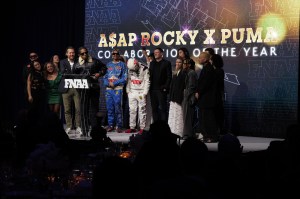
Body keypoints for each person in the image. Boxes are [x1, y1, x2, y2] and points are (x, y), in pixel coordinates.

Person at [74, 46, 107, 136]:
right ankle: (84, 131)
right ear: (79, 55)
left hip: (94, 88)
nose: (85, 54)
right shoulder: (76, 64)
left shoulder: (94, 61)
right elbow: (73, 76)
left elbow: (104, 68)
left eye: (86, 52)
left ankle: (95, 130)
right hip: (82, 89)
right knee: (83, 109)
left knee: (94, 109)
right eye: (82, 53)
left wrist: (99, 74)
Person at [195, 52, 218, 142]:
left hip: (207, 99)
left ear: (205, 59)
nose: (199, 59)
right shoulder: (206, 68)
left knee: (208, 118)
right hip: (204, 98)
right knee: (204, 118)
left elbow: (206, 83)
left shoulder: (208, 69)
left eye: (200, 58)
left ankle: (211, 136)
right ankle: (206, 136)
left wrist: (198, 92)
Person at [103, 49, 127, 133]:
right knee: (110, 108)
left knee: (118, 108)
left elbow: (125, 78)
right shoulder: (108, 64)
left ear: (119, 55)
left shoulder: (123, 65)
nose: (115, 55)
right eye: (113, 54)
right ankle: (110, 125)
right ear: (111, 55)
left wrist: (115, 83)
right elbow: (105, 77)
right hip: (109, 89)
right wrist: (108, 83)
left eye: (117, 54)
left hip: (118, 89)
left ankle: (119, 126)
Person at [59, 46, 82, 135]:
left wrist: (71, 74)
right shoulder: (62, 62)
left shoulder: (78, 61)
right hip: (66, 88)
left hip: (76, 87)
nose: (71, 54)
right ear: (66, 54)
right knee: (67, 109)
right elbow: (63, 73)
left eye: (73, 52)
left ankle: (78, 126)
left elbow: (80, 73)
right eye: (70, 52)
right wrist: (74, 74)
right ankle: (68, 126)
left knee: (78, 108)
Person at [125, 57, 150, 134]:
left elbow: (147, 81)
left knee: (142, 110)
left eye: (133, 69)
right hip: (132, 91)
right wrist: (128, 90)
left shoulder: (145, 68)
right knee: (132, 110)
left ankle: (142, 128)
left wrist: (145, 93)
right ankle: (132, 127)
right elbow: (128, 80)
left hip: (141, 92)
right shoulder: (130, 68)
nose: (132, 70)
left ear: (136, 64)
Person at [149, 47, 172, 122]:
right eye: (154, 52)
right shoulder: (152, 63)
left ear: (161, 53)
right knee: (154, 109)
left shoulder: (166, 63)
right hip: (152, 90)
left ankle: (164, 127)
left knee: (163, 109)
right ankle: (155, 127)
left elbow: (169, 76)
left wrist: (165, 87)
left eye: (157, 52)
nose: (155, 54)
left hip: (161, 90)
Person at [168, 58, 185, 137]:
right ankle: (172, 131)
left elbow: (182, 86)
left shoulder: (183, 73)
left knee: (179, 115)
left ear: (182, 63)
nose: (177, 63)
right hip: (173, 97)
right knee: (172, 115)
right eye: (177, 62)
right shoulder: (175, 72)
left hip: (179, 98)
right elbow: (172, 86)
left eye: (180, 62)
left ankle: (178, 132)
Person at [182, 58, 198, 139]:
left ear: (190, 65)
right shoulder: (187, 73)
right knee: (186, 116)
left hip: (188, 98)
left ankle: (187, 135)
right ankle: (187, 134)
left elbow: (191, 87)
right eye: (183, 63)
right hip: (187, 97)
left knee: (187, 117)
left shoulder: (191, 73)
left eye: (185, 63)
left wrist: (185, 95)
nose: (183, 65)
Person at [211, 53, 225, 135]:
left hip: (215, 95)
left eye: (211, 60)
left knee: (216, 114)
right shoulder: (220, 70)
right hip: (217, 95)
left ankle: (217, 131)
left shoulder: (217, 71)